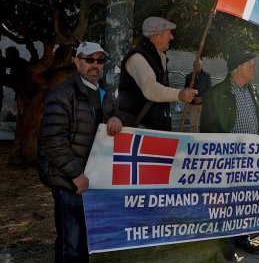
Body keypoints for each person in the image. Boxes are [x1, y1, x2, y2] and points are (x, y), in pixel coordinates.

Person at [37, 42, 122, 262]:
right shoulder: (62, 94)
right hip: (69, 180)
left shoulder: (103, 91)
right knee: (71, 243)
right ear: (77, 62)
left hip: (92, 177)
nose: (95, 65)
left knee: (85, 241)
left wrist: (115, 118)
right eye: (89, 59)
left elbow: (111, 115)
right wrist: (76, 175)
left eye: (100, 60)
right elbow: (54, 141)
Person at [200, 52, 259, 257]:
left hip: (249, 159)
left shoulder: (251, 90)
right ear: (239, 68)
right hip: (227, 160)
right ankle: (226, 245)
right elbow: (208, 128)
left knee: (244, 200)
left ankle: (243, 238)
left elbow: (257, 117)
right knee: (226, 203)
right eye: (251, 65)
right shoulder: (218, 93)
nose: (255, 69)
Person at [116, 16, 197, 131]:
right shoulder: (138, 57)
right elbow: (151, 89)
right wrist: (179, 95)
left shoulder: (158, 56)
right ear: (156, 37)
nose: (172, 37)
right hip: (138, 129)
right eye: (169, 33)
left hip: (152, 127)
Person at [184, 58, 211, 133]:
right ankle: (193, 138)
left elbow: (209, 90)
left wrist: (201, 98)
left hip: (204, 103)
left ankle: (203, 139)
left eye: (199, 65)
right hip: (193, 103)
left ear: (201, 65)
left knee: (204, 123)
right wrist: (194, 98)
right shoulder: (189, 76)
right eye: (196, 65)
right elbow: (186, 89)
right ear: (193, 66)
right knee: (193, 123)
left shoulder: (207, 76)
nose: (197, 66)